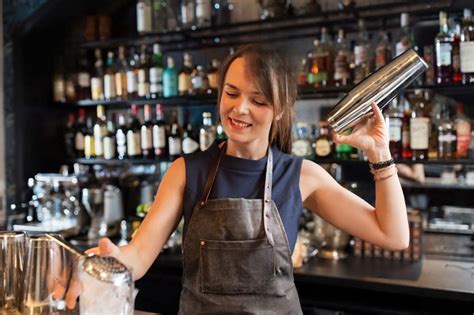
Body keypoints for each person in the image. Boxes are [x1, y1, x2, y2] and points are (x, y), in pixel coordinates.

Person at [62, 44, 409, 313]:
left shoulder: (301, 176)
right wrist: (108, 261)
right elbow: (138, 258)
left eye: (257, 100)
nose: (239, 109)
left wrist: (379, 152)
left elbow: (393, 236)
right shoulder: (187, 171)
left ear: (281, 109)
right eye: (231, 93)